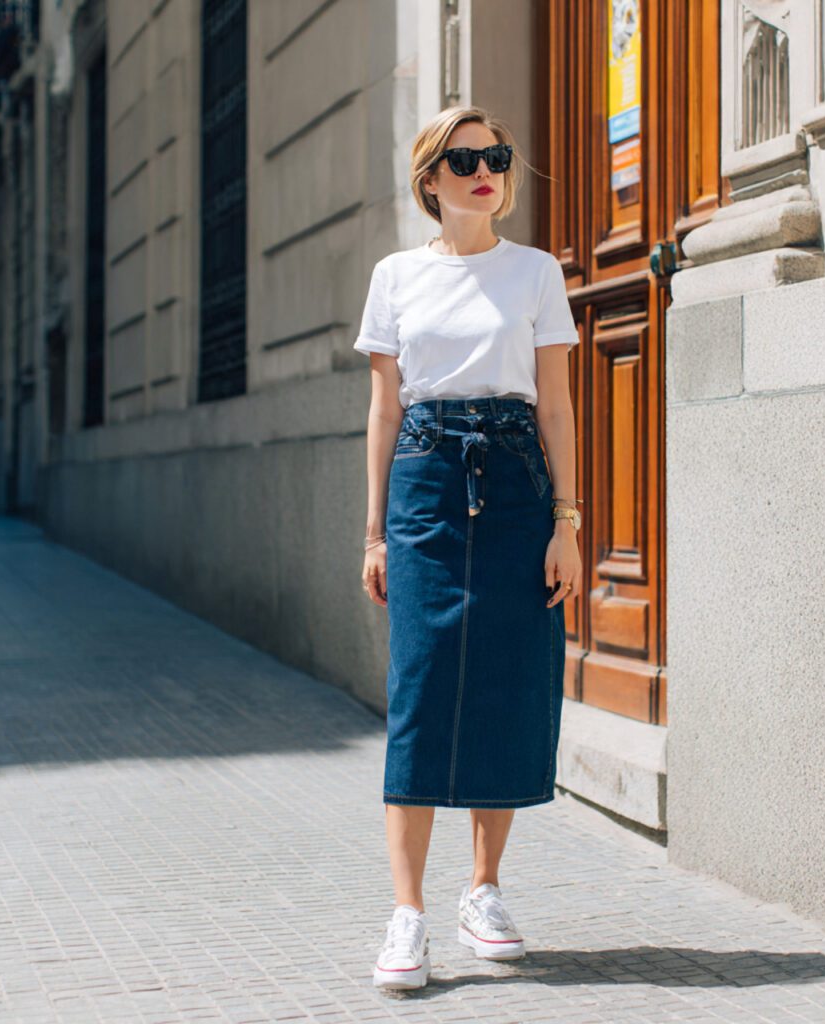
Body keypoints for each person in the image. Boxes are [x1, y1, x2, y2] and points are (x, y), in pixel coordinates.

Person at [354, 105, 583, 991]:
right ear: (431, 181)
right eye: (464, 160)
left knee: (509, 680)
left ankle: (483, 891)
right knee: (419, 684)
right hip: (425, 483)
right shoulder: (396, 276)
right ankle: (406, 912)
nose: (485, 170)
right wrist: (374, 533)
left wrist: (566, 522)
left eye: (496, 157)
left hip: (519, 481)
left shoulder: (535, 273)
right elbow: (384, 410)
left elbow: (556, 405)